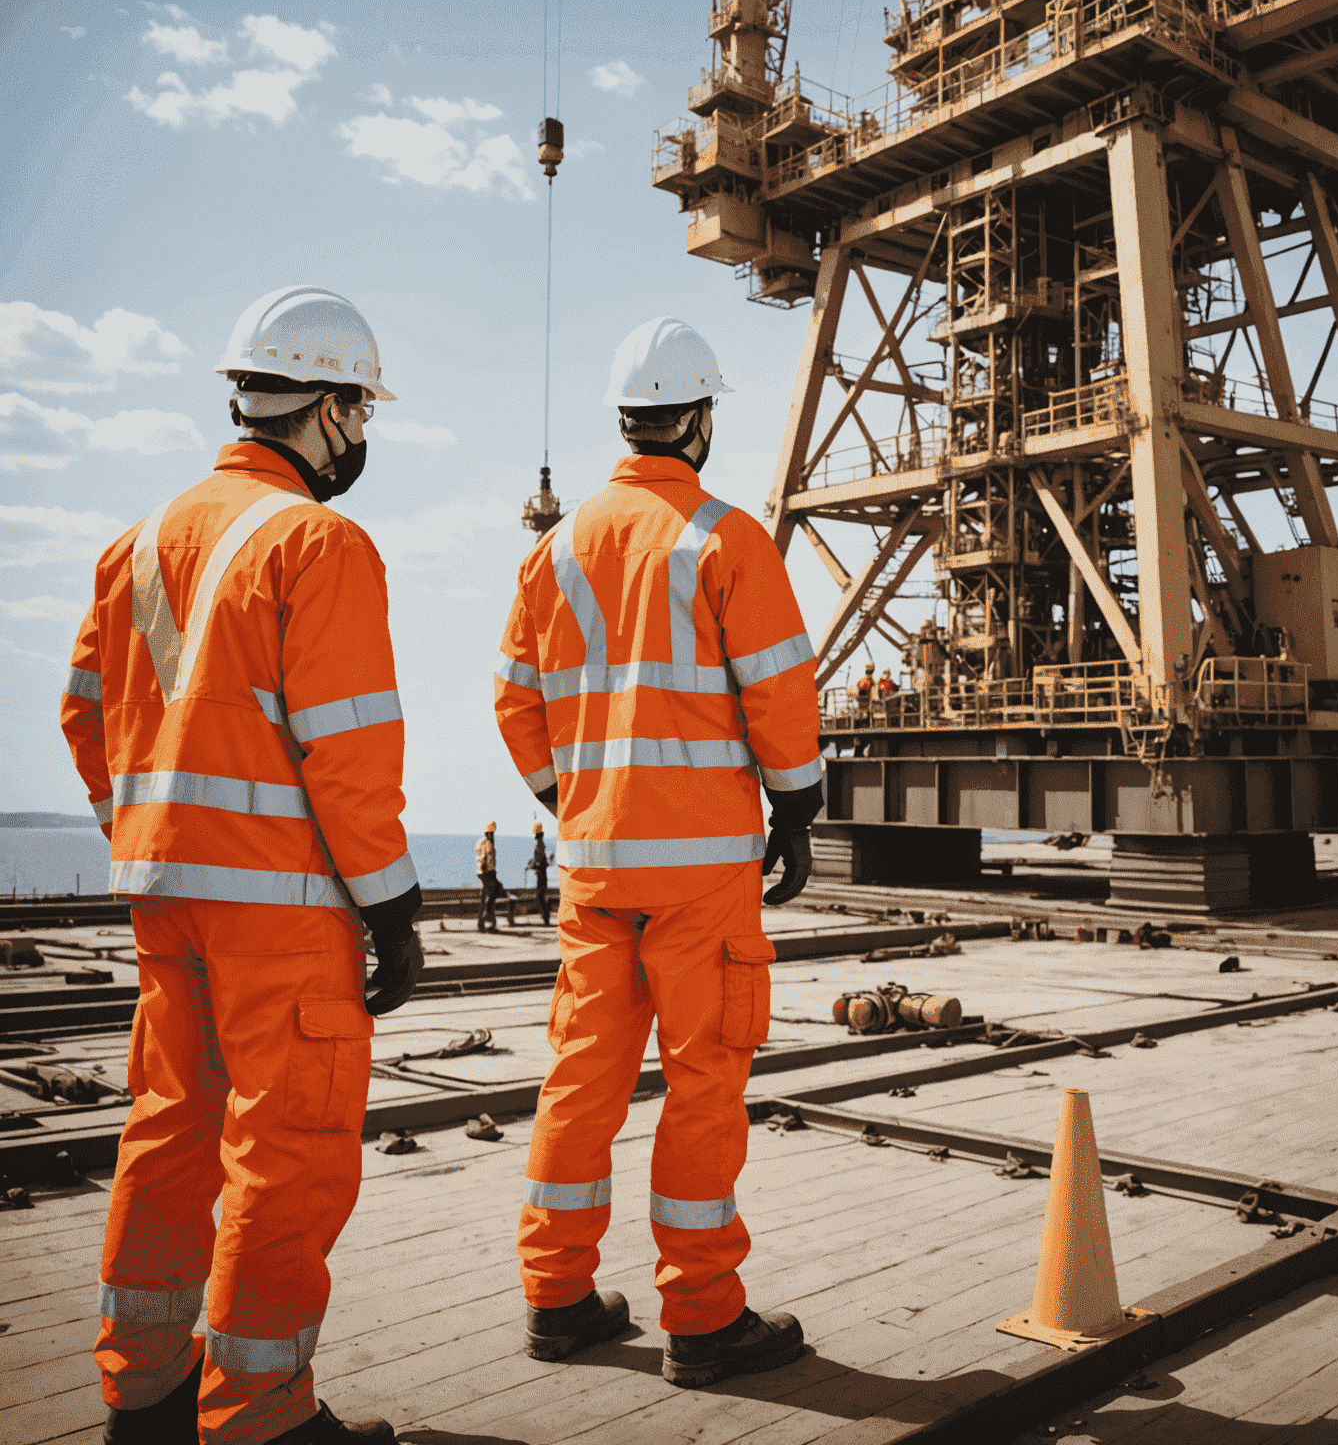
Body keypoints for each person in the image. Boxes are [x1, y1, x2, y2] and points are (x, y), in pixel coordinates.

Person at [60, 286, 424, 1445]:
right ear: (323, 408)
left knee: (168, 1129)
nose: (360, 438)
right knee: (288, 1150)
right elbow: (350, 753)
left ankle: (146, 1391)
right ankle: (261, 1415)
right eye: (359, 414)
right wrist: (395, 905)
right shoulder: (318, 541)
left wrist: (151, 827)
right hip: (285, 909)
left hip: (164, 898)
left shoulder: (138, 543)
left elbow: (82, 714)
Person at [492, 316, 823, 1389]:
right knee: (702, 1084)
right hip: (701, 875)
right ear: (699, 420)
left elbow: (514, 700)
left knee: (581, 1080)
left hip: (597, 869)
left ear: (626, 421)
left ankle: (557, 1297)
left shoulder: (557, 548)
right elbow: (778, 691)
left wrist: (572, 801)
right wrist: (798, 811)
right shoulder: (726, 540)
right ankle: (703, 1316)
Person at [476, 821, 502, 930]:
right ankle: (488, 916)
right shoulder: (488, 843)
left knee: (485, 895)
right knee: (496, 890)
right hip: (487, 872)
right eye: (492, 833)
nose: (493, 836)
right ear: (490, 833)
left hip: (481, 872)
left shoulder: (480, 842)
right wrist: (488, 872)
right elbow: (485, 858)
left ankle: (481, 923)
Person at [528, 820, 551, 927]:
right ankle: (545, 917)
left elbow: (539, 862)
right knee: (541, 896)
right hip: (542, 874)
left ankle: (546, 917)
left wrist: (532, 865)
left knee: (540, 897)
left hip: (541, 875)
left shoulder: (539, 846)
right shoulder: (541, 845)